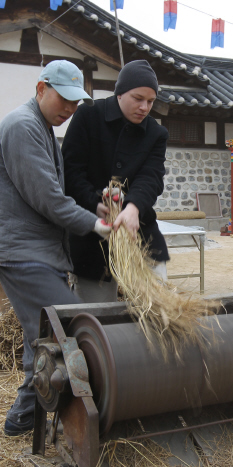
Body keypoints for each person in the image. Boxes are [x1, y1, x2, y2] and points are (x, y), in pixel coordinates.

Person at [0, 60, 112, 436]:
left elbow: (55, 194)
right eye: (63, 99)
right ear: (41, 88)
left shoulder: (42, 127)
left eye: (75, 102)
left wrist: (96, 209)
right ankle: (57, 419)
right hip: (22, 252)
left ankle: (21, 419)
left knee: (44, 335)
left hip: (39, 251)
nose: (69, 109)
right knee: (69, 326)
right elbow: (48, 198)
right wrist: (97, 225)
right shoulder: (22, 127)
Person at [62, 59, 170, 302]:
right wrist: (95, 203)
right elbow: (70, 171)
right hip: (91, 232)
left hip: (140, 230)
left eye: (151, 101)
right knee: (97, 314)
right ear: (119, 93)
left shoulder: (156, 133)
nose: (144, 107)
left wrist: (133, 208)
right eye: (138, 98)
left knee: (157, 305)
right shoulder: (88, 116)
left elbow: (151, 177)